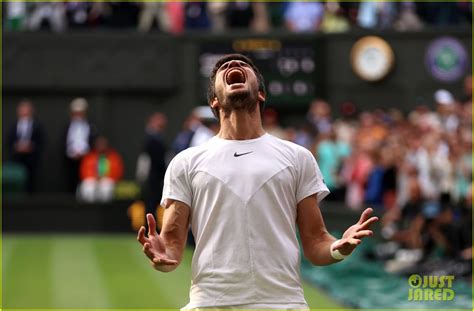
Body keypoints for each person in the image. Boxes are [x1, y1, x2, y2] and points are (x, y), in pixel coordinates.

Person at [137, 54, 378, 309]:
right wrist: (162, 256)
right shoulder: (185, 162)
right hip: (210, 304)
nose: (233, 65)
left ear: (260, 94)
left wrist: (338, 247)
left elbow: (316, 242)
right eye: (223, 68)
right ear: (214, 100)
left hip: (283, 304)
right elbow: (172, 244)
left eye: (244, 66)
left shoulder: (298, 158)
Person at [7, 99, 44, 193]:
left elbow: (41, 141)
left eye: (26, 109)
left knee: (31, 180)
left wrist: (31, 147)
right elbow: (9, 141)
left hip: (31, 159)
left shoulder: (37, 126)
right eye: (22, 109)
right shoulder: (14, 125)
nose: (24, 111)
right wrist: (17, 147)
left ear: (31, 111)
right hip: (17, 158)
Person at [62, 97, 97, 193]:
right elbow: (65, 142)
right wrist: (72, 152)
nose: (78, 115)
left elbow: (92, 141)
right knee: (71, 181)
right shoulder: (67, 126)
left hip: (86, 159)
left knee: (86, 183)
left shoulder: (90, 126)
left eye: (80, 112)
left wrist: (84, 153)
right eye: (75, 113)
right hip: (70, 159)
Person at [78, 136, 123, 203]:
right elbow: (84, 171)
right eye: (99, 144)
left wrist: (104, 177)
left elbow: (118, 172)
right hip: (93, 179)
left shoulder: (113, 157)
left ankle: (104, 210)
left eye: (103, 144)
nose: (101, 146)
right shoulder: (89, 157)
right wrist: (95, 177)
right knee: (88, 186)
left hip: (107, 180)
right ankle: (89, 209)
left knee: (106, 186)